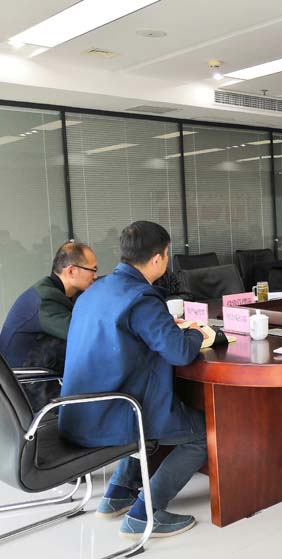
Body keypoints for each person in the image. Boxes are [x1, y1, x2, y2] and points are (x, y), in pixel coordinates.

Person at [59, 221, 208, 538]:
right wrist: (195, 333)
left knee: (146, 412)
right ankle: (144, 513)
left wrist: (165, 327)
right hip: (113, 413)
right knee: (204, 433)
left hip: (78, 409)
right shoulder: (141, 298)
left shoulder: (95, 290)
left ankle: (116, 495)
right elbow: (181, 353)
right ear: (158, 258)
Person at [0, 242, 97, 372]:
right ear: (71, 271)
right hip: (25, 377)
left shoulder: (60, 291)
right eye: (93, 270)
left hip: (39, 367)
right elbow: (81, 333)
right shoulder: (46, 300)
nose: (95, 276)